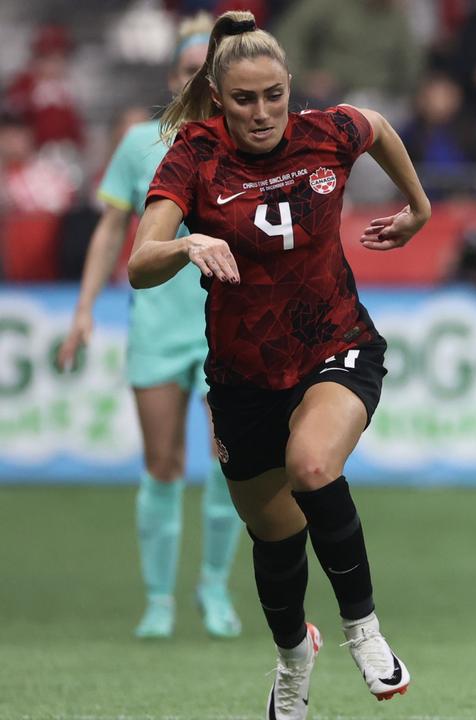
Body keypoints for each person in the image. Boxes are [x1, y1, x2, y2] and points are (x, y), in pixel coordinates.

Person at [126, 11, 431, 719]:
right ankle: (294, 656)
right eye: (243, 99)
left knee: (315, 466)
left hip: (336, 343)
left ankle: (365, 631)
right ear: (217, 97)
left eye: (273, 95)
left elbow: (378, 124)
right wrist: (186, 245)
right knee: (276, 536)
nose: (261, 112)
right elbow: (141, 262)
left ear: (290, 87)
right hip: (243, 378)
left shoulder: (326, 133)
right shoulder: (194, 155)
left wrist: (417, 206)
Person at [56, 13, 242, 641]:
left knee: (230, 463)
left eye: (209, 75)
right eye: (190, 72)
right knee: (161, 463)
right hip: (158, 327)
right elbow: (112, 229)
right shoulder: (140, 143)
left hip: (230, 328)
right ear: (174, 78)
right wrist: (84, 310)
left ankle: (214, 588)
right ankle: (159, 599)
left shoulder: (242, 140)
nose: (200, 84)